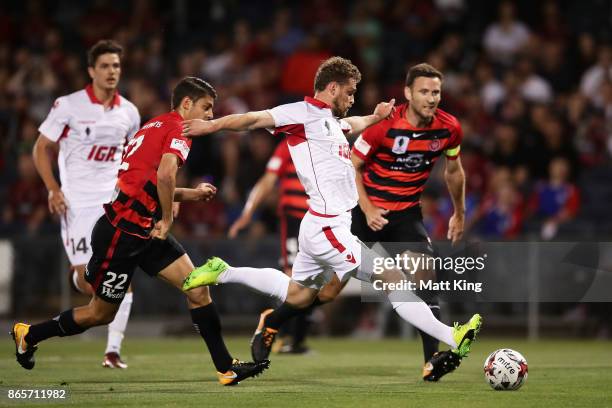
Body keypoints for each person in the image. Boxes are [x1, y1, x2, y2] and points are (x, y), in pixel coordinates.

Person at [181, 57, 482, 367]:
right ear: (333, 87)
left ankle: (223, 271)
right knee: (393, 279)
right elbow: (251, 119)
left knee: (298, 294)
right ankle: (452, 336)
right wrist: (211, 125)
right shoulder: (300, 113)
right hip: (328, 226)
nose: (352, 99)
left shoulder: (331, 121)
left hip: (322, 224)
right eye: (349, 93)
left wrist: (377, 117)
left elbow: (355, 124)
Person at [12, 77, 269, 386]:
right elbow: (164, 176)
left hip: (141, 229)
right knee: (99, 314)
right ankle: (29, 334)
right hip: (121, 234)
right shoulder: (179, 130)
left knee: (198, 289)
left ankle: (226, 368)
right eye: (207, 107)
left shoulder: (154, 126)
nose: (211, 115)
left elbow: (148, 183)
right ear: (187, 105)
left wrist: (191, 194)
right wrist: (167, 220)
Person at [351, 63, 467, 381]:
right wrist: (368, 207)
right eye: (424, 92)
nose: (431, 98)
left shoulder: (449, 128)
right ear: (408, 93)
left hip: (405, 214)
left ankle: (433, 361)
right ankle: (275, 321)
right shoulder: (383, 124)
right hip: (362, 214)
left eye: (436, 92)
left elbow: (454, 170)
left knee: (424, 279)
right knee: (325, 290)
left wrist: (460, 212)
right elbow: (352, 164)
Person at [32, 40, 140, 368]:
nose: (112, 72)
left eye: (116, 66)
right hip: (77, 205)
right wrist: (53, 189)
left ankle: (113, 351)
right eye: (105, 66)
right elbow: (40, 149)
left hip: (113, 203)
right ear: (91, 70)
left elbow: (134, 159)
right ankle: (74, 279)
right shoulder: (68, 106)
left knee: (121, 278)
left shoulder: (130, 113)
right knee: (91, 281)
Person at [229, 140, 314, 354]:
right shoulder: (289, 146)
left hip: (323, 222)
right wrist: (248, 213)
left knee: (321, 283)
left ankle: (293, 338)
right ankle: (284, 336)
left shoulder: (330, 140)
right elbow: (268, 181)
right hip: (295, 220)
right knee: (294, 278)